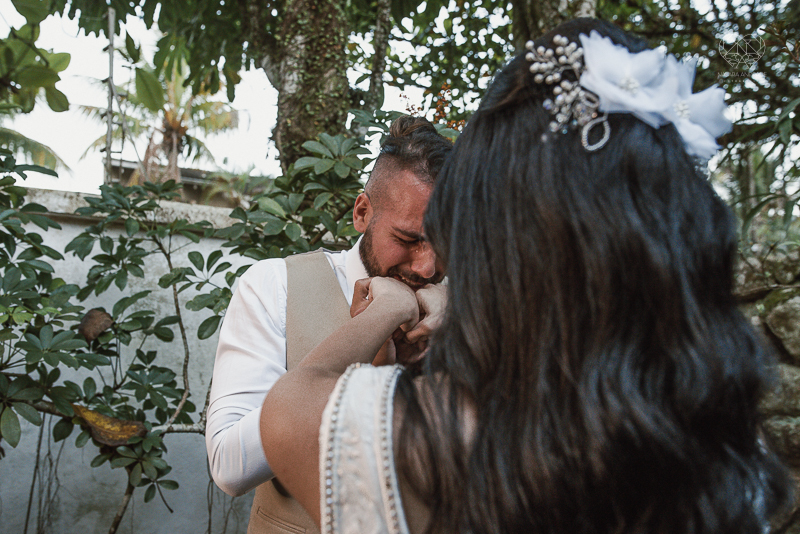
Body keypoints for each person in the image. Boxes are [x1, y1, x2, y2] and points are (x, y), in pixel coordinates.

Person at [259, 18, 792, 534]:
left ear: (500, 244)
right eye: (410, 239)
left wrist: (390, 309)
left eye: (445, 242)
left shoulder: (425, 438)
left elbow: (289, 405)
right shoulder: (728, 443)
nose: (427, 266)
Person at [205, 115, 453, 533]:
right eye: (408, 240)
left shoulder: (466, 307)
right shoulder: (274, 285)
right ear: (361, 212)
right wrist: (378, 320)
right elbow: (230, 466)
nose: (427, 267)